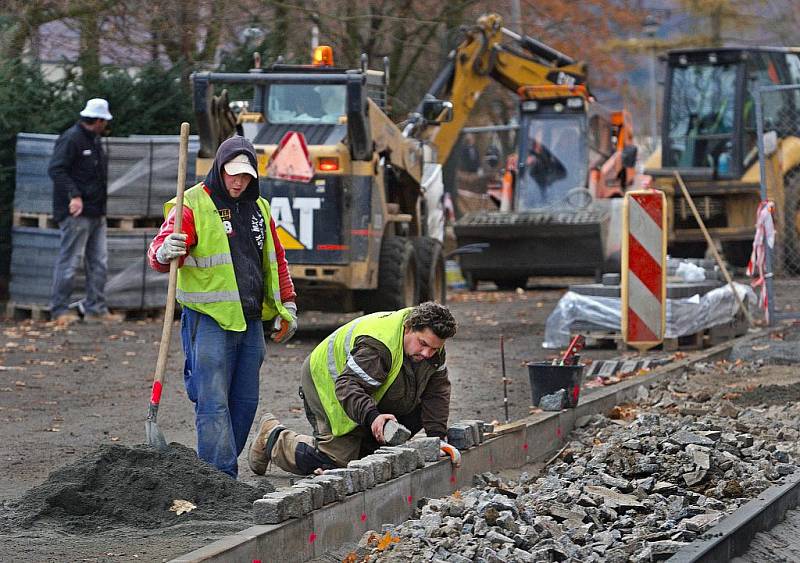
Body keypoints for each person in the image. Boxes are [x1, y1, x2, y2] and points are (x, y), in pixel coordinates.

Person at [147, 135, 298, 478]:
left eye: (245, 175)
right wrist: (164, 250)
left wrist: (287, 304)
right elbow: (160, 253)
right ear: (219, 168)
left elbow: (276, 261)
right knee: (212, 401)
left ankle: (222, 472)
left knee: (244, 403)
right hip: (209, 320)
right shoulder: (192, 205)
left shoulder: (259, 209)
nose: (238, 181)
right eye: (232, 173)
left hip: (250, 320)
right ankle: (220, 477)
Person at [247, 301, 458, 476]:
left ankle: (365, 444)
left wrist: (438, 439)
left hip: (367, 389)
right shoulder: (378, 346)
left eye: (434, 348)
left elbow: (436, 393)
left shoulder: (431, 349)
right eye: (423, 344)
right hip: (329, 384)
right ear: (409, 327)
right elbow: (348, 386)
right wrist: (373, 417)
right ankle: (272, 438)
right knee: (338, 465)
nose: (428, 353)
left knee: (371, 461)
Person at [49, 98, 118, 325]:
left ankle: (95, 309)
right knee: (69, 261)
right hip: (76, 213)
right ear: (98, 120)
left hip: (96, 212)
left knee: (99, 262)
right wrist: (74, 195)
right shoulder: (71, 139)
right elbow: (57, 169)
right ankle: (59, 310)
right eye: (104, 121)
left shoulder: (94, 140)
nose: (105, 125)